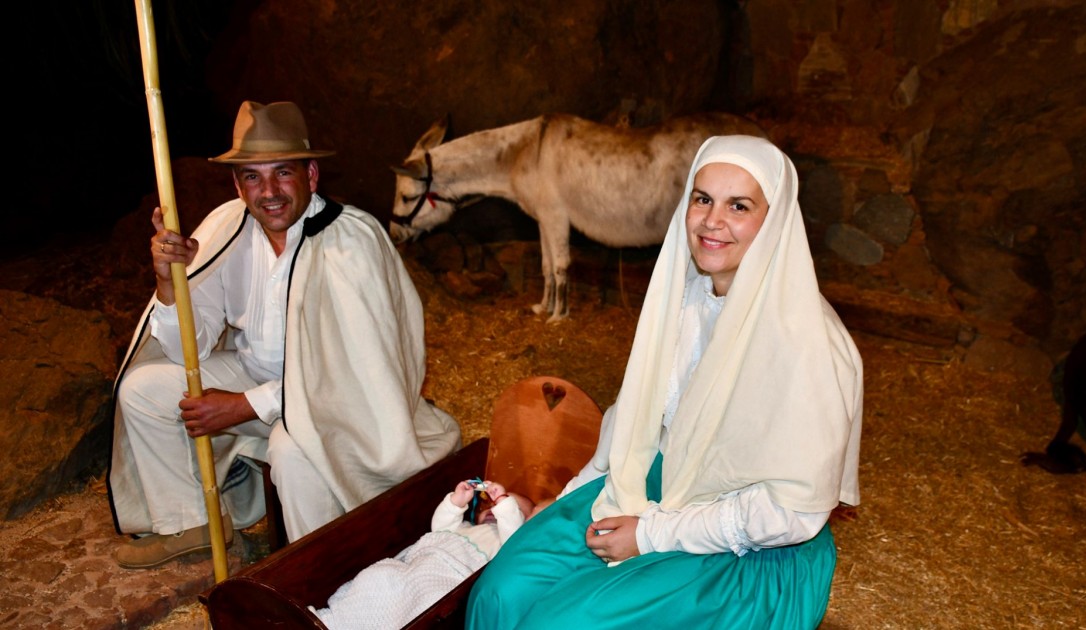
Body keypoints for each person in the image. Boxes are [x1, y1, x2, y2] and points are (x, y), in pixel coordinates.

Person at [466, 135, 863, 629]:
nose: (712, 221)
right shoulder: (684, 299)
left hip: (749, 549)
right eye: (702, 199)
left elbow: (792, 515)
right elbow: (633, 422)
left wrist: (651, 535)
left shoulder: (809, 344)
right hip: (649, 487)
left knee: (560, 623)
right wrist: (571, 498)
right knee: (500, 595)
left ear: (775, 219)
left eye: (738, 205)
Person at [107, 100, 461, 569]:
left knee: (293, 452)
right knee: (142, 391)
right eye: (252, 176)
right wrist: (169, 282)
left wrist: (241, 406)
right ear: (237, 184)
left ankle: (320, 574)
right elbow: (184, 347)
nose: (268, 191)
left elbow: (352, 373)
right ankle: (189, 523)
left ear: (311, 175)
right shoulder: (227, 227)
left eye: (283, 173)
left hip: (343, 404)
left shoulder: (350, 240)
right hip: (255, 379)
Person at [313, 479, 534, 629]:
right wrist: (456, 502)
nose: (496, 508)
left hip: (445, 579)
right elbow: (440, 527)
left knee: (414, 602)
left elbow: (515, 538)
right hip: (418, 564)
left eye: (511, 507)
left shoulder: (504, 545)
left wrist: (505, 505)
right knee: (378, 578)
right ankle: (334, 621)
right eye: (493, 504)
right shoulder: (465, 526)